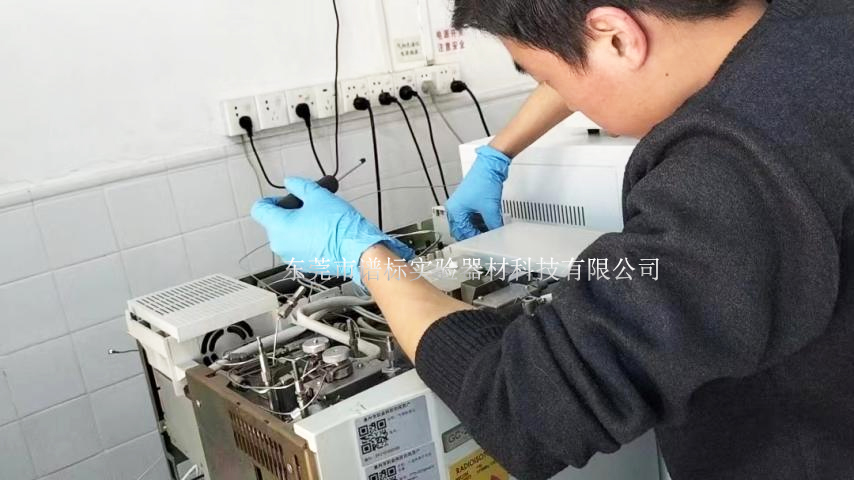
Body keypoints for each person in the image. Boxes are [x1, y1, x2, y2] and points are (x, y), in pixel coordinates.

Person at [251, 0, 854, 478]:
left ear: (616, 36)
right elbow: (592, 57)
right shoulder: (814, 24)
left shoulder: (728, 176)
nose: (561, 93)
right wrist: (498, 153)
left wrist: (365, 254)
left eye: (543, 75)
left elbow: (523, 408)